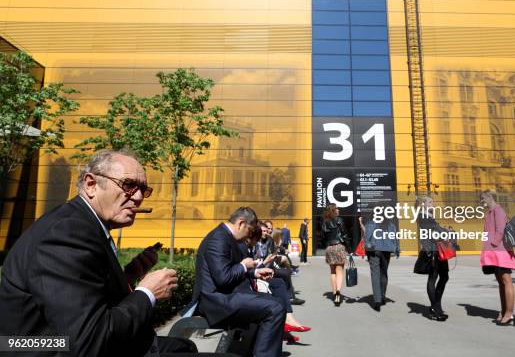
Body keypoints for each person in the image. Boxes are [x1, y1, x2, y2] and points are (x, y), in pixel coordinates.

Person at [0, 149, 198, 356]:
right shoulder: (67, 233)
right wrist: (147, 293)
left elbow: (81, 294)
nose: (139, 197)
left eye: (143, 189)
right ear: (91, 184)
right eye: (128, 185)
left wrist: (127, 277)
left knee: (186, 347)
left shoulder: (83, 223)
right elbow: (88, 341)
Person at [192, 207, 285, 357]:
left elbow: (229, 269)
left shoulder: (226, 237)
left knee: (276, 301)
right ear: (241, 223)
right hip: (216, 300)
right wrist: (243, 266)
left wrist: (254, 272)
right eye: (250, 230)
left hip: (228, 295)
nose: (249, 234)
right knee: (275, 308)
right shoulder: (218, 239)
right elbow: (223, 278)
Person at [241, 224, 310, 336]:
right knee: (278, 287)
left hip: (263, 272)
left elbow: (265, 262)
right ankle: (286, 326)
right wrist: (264, 263)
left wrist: (268, 261)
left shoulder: (267, 241)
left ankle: (287, 322)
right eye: (263, 231)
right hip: (250, 281)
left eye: (267, 230)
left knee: (281, 280)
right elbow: (247, 269)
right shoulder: (244, 246)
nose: (266, 232)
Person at [480, 189, 515, 326]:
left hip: (501, 251)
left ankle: (509, 313)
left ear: (490, 197)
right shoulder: (489, 212)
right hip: (494, 251)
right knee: (501, 281)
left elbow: (500, 230)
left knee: (506, 280)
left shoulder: (498, 210)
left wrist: (493, 244)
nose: (481, 200)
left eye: (483, 198)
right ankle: (503, 311)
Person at [415, 195, 450, 321]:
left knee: (445, 277)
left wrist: (446, 232)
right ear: (423, 203)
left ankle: (436, 306)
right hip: (431, 251)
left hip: (438, 249)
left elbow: (436, 229)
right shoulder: (422, 216)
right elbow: (430, 232)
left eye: (432, 202)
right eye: (429, 202)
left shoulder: (429, 216)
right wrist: (442, 235)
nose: (432, 204)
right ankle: (435, 308)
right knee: (433, 278)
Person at [364, 213, 400, 312]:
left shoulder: (371, 223)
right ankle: (383, 296)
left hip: (374, 250)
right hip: (386, 250)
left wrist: (366, 249)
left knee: (375, 274)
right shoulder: (390, 224)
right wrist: (397, 249)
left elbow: (366, 238)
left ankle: (377, 301)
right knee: (384, 273)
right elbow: (394, 237)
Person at [321, 203, 351, 306]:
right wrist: (350, 249)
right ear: (333, 210)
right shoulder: (339, 220)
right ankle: (338, 291)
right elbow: (344, 234)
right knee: (340, 271)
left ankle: (334, 294)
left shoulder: (325, 222)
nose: (338, 210)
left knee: (332, 271)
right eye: (337, 208)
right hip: (339, 246)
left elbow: (323, 237)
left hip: (329, 248)